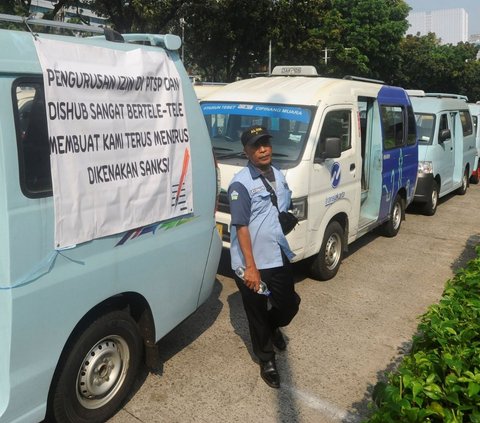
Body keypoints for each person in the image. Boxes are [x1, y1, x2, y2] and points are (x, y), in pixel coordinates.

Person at [228, 125, 300, 389]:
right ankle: (266, 359)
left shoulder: (278, 175)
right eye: (256, 146)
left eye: (265, 143)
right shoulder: (240, 184)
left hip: (277, 253)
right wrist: (251, 268)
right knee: (257, 312)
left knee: (289, 305)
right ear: (247, 152)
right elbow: (241, 226)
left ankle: (273, 327)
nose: (263, 149)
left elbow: (283, 204)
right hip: (252, 262)